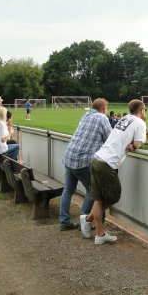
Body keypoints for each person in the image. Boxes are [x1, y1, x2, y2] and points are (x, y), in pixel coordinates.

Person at [80, 99, 147, 245]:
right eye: (145, 110)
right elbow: (136, 144)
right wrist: (135, 145)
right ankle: (88, 219)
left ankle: (99, 234)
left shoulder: (124, 118)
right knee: (113, 197)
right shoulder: (140, 122)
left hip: (97, 159)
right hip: (107, 164)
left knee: (99, 199)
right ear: (141, 111)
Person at [59, 98, 112, 232]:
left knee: (68, 190)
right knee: (92, 191)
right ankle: (84, 223)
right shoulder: (102, 118)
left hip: (69, 157)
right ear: (104, 108)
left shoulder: (85, 115)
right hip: (82, 161)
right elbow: (110, 139)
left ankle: (64, 221)